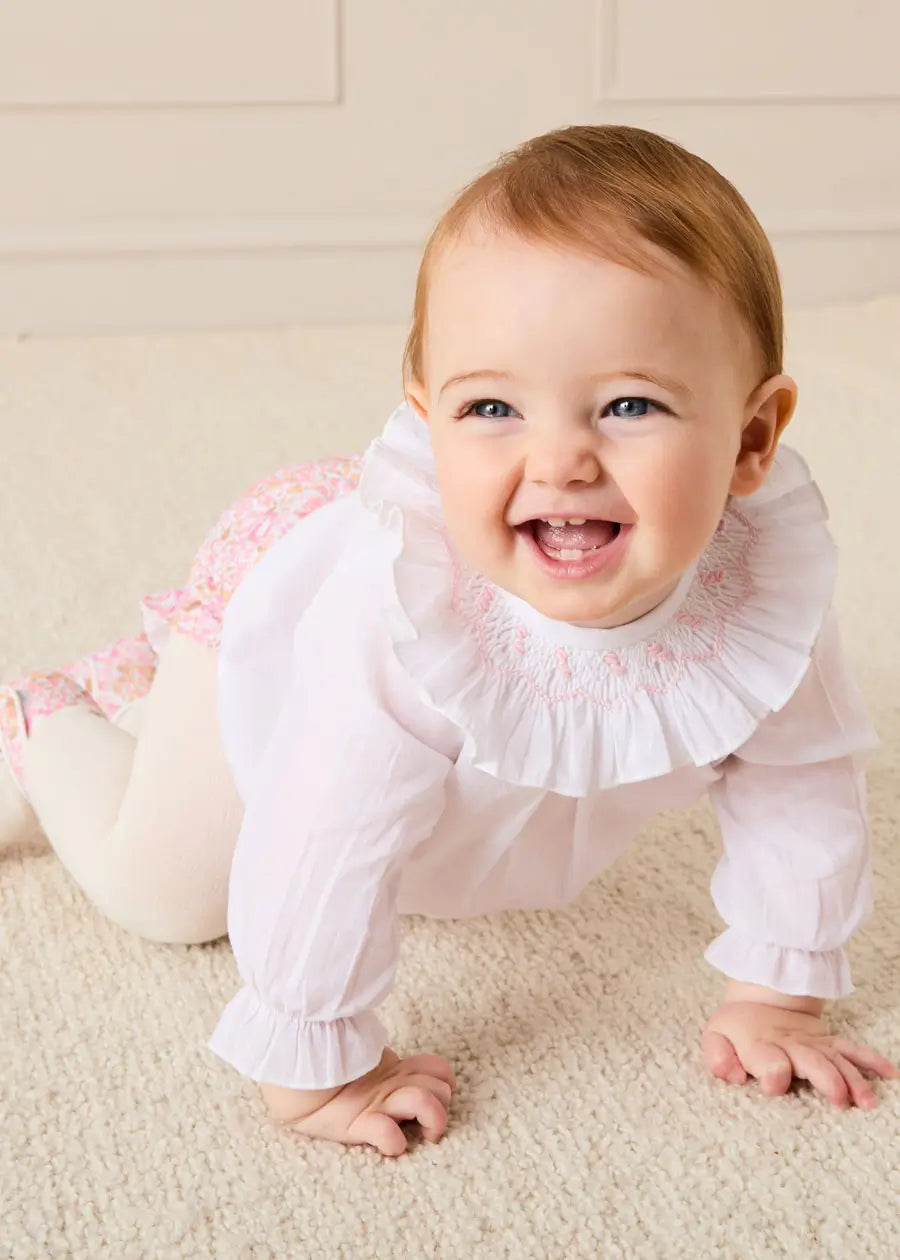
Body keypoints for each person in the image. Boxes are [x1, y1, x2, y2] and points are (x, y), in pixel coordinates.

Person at [2, 124, 897, 1159]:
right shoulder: (394, 611)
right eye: (491, 407)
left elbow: (804, 784)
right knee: (165, 891)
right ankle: (54, 718)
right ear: (429, 427)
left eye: (629, 404)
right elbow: (324, 835)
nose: (559, 459)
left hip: (389, 695)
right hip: (278, 630)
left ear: (752, 439)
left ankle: (132, 696)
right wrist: (314, 1068)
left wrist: (779, 994)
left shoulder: (762, 600)